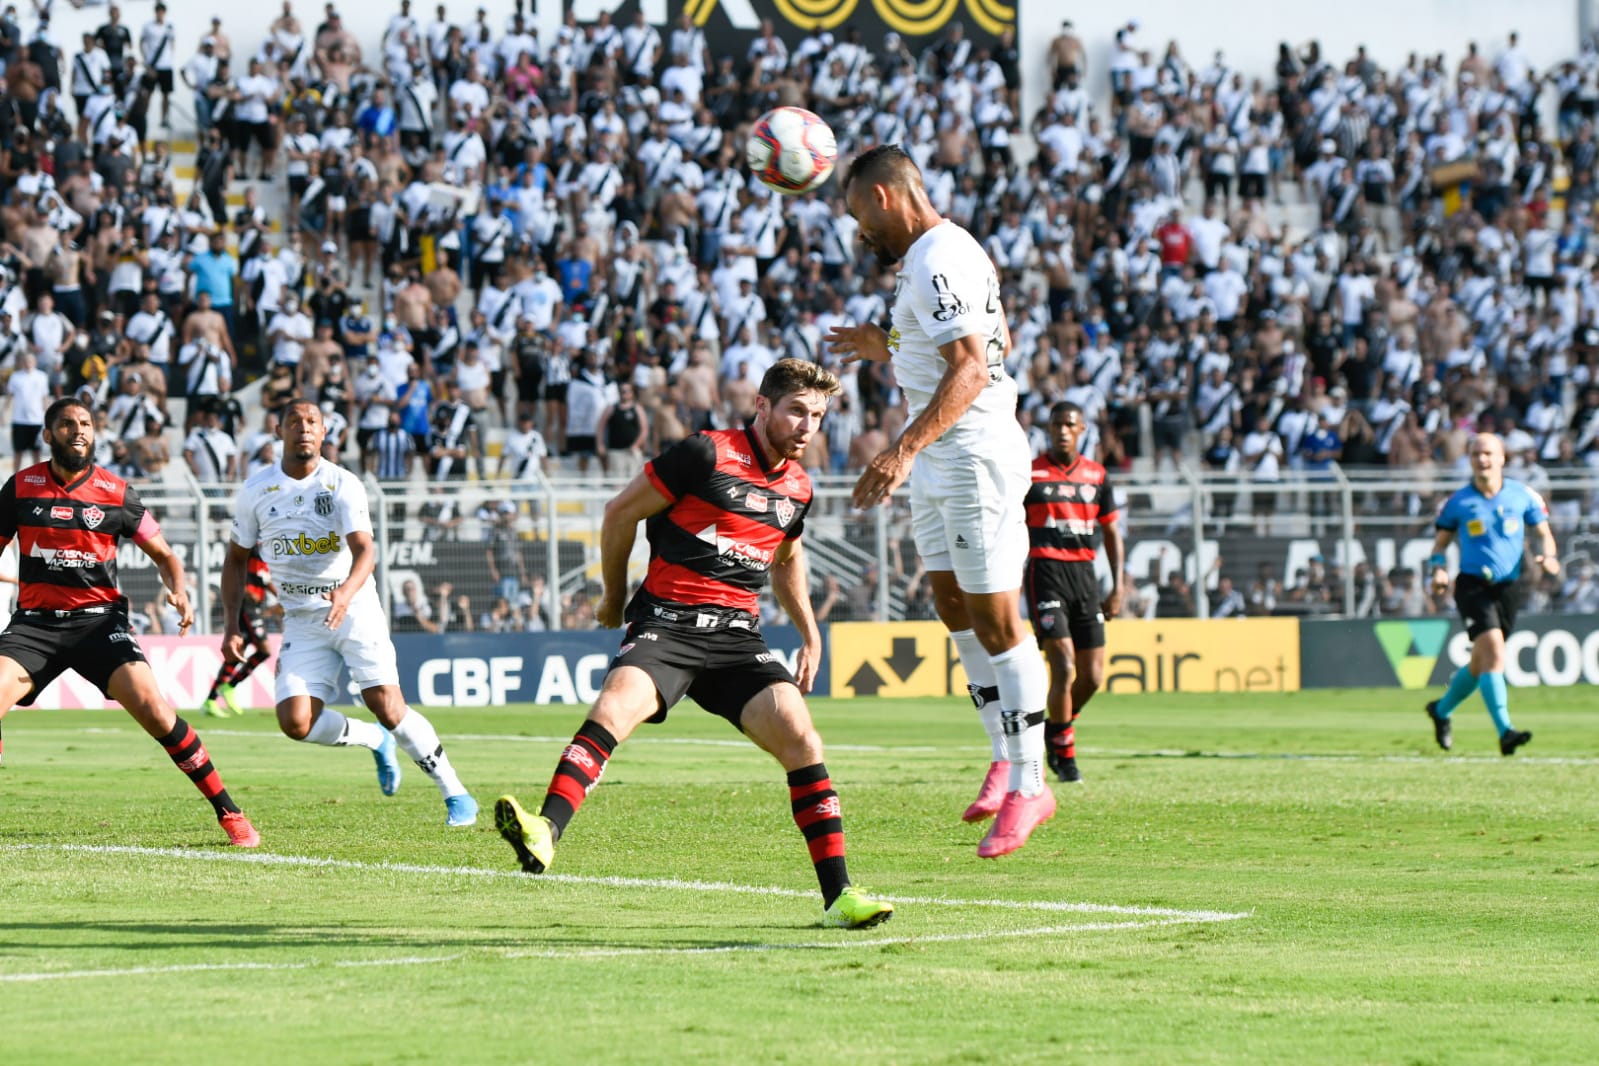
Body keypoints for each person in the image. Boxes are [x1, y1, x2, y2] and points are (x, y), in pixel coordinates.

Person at [494, 359, 893, 929]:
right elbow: (618, 514)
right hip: (669, 624)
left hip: (736, 639)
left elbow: (787, 557)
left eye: (819, 416)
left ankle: (840, 897)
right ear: (762, 406)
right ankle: (545, 829)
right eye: (796, 411)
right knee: (612, 711)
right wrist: (613, 599)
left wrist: (808, 633)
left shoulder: (798, 488)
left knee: (803, 739)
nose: (808, 426)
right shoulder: (705, 453)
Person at [827, 144, 1053, 859]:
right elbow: (995, 337)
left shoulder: (934, 258)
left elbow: (974, 365)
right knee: (950, 603)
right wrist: (888, 344)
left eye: (859, 213)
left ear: (884, 197)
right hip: (941, 454)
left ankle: (1030, 783)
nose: (859, 232)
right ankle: (1002, 753)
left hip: (969, 453)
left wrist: (901, 450)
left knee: (994, 614)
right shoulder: (935, 258)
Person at [0, 398, 258, 846]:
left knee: (156, 710)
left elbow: (165, 556)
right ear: (47, 434)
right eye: (66, 424)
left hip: (100, 625)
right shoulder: (21, 487)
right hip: (35, 626)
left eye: (85, 424)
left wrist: (177, 589)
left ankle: (230, 813)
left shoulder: (116, 493)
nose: (77, 431)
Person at [222, 401, 478, 826]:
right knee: (295, 721)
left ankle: (456, 794)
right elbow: (235, 559)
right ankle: (372, 740)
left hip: (354, 608)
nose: (303, 429)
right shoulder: (255, 490)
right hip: (303, 618)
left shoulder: (342, 484)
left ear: (324, 433)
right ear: (278, 431)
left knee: (388, 705)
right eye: (294, 423)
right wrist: (231, 624)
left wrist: (343, 593)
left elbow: (366, 551)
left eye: (312, 423)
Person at [1424, 433, 1558, 756]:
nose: (1481, 459)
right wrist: (1438, 570)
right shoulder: (1458, 502)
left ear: (1501, 458)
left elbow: (1545, 535)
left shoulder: (1522, 495)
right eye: (1475, 454)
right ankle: (1505, 732)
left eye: (1487, 453)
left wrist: (1549, 557)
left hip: (1509, 588)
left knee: (1480, 662)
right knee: (1495, 653)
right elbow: (1438, 547)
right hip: (1471, 586)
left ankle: (1440, 711)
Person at [1024, 401, 1124, 783]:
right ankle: (1064, 756)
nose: (1062, 430)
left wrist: (1118, 587)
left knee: (1093, 676)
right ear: (1048, 429)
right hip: (1046, 572)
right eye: (1056, 424)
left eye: (1069, 424)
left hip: (1085, 576)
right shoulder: (1030, 473)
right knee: (1063, 666)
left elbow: (1112, 533)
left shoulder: (1097, 476)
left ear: (1082, 429)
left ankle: (1055, 727)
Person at [202, 547, 276, 717]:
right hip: (247, 606)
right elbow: (235, 566)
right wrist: (244, 591)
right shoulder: (252, 547)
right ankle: (230, 686)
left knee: (237, 652)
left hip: (255, 606)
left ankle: (211, 699)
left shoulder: (270, 552)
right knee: (265, 649)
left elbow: (266, 579)